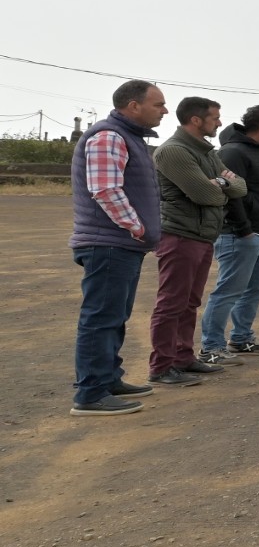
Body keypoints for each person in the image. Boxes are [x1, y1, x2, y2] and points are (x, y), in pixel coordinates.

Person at [68, 80, 169, 415]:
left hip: (120, 245)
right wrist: (137, 227)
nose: (164, 110)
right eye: (158, 104)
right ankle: (91, 393)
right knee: (101, 317)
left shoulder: (129, 138)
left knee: (114, 315)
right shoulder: (109, 136)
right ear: (133, 105)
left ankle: (108, 379)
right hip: (108, 244)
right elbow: (106, 190)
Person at [148, 96, 249, 385]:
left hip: (202, 235)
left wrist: (219, 183)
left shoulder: (206, 152)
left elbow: (239, 187)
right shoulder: (174, 152)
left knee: (189, 302)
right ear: (196, 120)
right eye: (215, 117)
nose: (219, 122)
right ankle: (161, 366)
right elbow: (205, 195)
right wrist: (221, 184)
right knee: (171, 303)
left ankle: (182, 357)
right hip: (180, 235)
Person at [200, 103, 259, 363]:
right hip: (239, 235)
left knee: (256, 288)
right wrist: (244, 230)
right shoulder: (233, 152)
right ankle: (211, 347)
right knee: (228, 291)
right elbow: (227, 194)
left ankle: (241, 339)